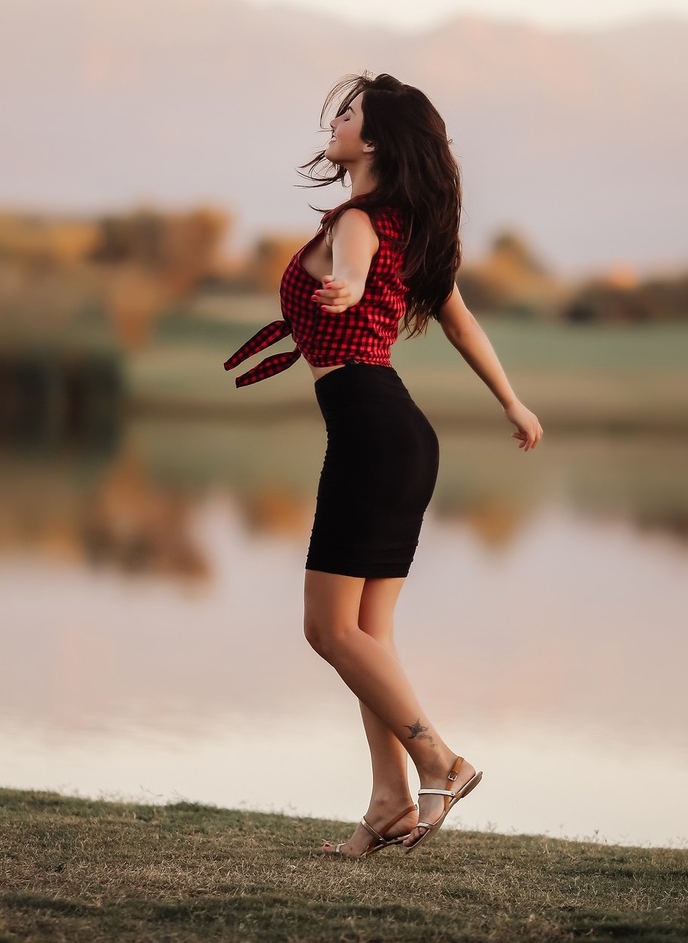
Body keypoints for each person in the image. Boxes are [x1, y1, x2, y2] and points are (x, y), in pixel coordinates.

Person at [224, 73, 543, 856]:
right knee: (369, 632)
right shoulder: (406, 227)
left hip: (372, 435)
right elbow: (464, 327)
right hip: (400, 438)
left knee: (327, 629)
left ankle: (439, 760)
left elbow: (356, 269)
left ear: (373, 142)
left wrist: (346, 289)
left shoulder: (362, 223)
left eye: (349, 114)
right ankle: (391, 801)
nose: (334, 123)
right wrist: (514, 403)